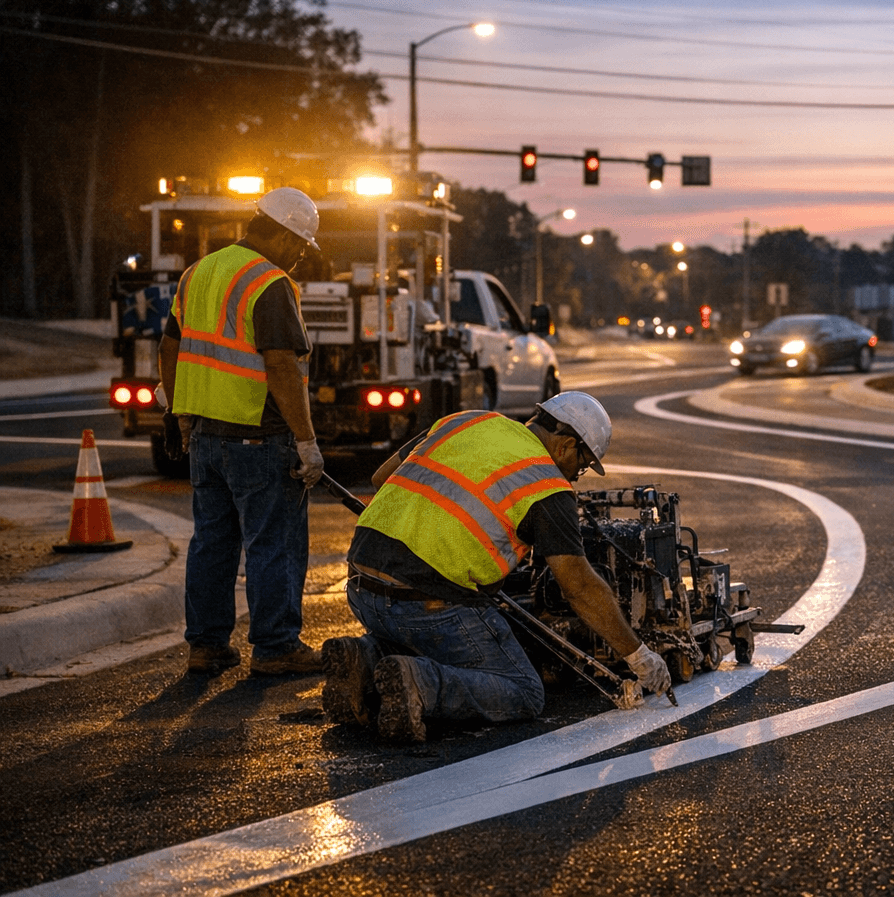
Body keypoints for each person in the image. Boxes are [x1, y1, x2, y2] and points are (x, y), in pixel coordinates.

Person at [320, 392, 672, 743]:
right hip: (424, 605)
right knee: (522, 690)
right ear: (565, 445)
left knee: (427, 633)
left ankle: (364, 658)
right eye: (582, 466)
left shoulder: (466, 419)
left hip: (361, 587)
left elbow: (382, 478)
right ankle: (421, 684)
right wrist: (638, 655)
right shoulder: (546, 485)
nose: (577, 477)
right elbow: (578, 586)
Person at [158, 187, 327, 676]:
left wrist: (175, 413)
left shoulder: (199, 272)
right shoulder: (269, 282)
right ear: (279, 234)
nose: (299, 256)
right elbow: (279, 365)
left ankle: (207, 647)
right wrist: (306, 441)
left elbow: (170, 346)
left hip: (206, 438)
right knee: (274, 542)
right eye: (298, 245)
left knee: (212, 544)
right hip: (259, 434)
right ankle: (276, 648)